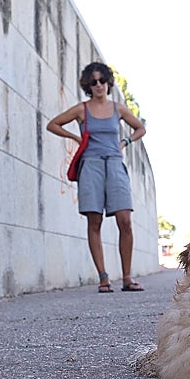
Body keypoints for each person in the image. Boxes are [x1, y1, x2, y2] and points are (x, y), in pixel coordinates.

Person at [47, 62, 147, 292]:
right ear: (88, 85)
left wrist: (126, 142)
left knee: (125, 219)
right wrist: (75, 137)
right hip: (90, 166)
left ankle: (127, 278)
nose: (99, 85)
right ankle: (103, 277)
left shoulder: (118, 109)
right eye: (93, 82)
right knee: (95, 221)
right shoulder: (81, 110)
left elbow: (140, 128)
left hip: (114, 163)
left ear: (108, 82)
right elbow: (53, 124)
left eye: (102, 80)